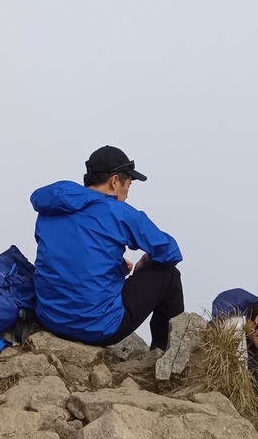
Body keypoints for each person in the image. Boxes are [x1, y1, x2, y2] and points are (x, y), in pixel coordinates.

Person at [30, 145, 184, 351]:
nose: (127, 194)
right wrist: (146, 261)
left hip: (49, 319)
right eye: (128, 185)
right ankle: (166, 354)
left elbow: (72, 254)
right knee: (169, 274)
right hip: (97, 328)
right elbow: (171, 251)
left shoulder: (51, 208)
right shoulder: (119, 211)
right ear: (114, 181)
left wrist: (116, 263)